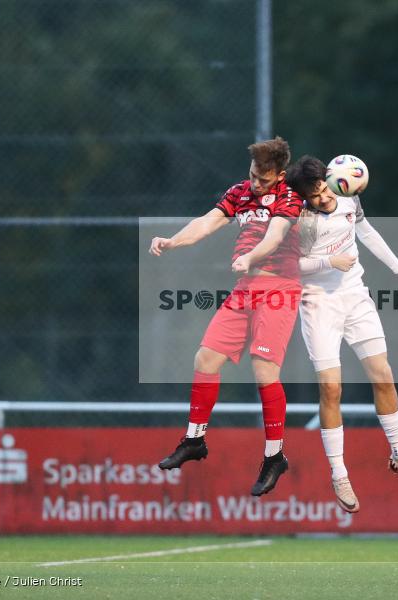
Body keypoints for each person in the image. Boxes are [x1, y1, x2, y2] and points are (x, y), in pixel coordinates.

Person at [149, 137, 303, 496]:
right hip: (245, 288)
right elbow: (206, 223)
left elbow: (276, 235)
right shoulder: (239, 192)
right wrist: (173, 241)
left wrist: (250, 257)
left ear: (280, 175)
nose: (255, 184)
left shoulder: (289, 196)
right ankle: (194, 439)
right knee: (205, 357)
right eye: (252, 175)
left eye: (263, 180)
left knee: (263, 369)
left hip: (279, 289)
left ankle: (274, 456)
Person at [284, 155, 398, 513]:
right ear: (304, 198)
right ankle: (339, 474)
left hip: (356, 297)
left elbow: (366, 231)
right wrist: (327, 262)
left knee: (384, 376)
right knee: (332, 389)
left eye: (324, 190)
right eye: (314, 197)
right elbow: (286, 265)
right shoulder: (298, 220)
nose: (324, 198)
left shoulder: (348, 196)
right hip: (318, 303)